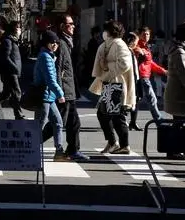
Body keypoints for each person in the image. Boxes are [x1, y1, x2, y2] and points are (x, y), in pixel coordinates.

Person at [43, 14, 88, 161]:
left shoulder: (67, 42)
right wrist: (59, 93)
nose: (73, 26)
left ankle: (73, 150)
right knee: (58, 122)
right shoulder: (61, 44)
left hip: (69, 91)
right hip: (64, 92)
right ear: (62, 26)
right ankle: (33, 142)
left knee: (73, 122)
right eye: (70, 23)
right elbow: (58, 70)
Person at [90, 20, 134, 155]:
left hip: (116, 84)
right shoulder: (108, 44)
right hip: (110, 83)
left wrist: (109, 70)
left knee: (115, 114)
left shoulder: (119, 44)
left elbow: (125, 64)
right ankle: (113, 142)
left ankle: (121, 144)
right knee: (105, 113)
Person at [34, 30, 67, 162]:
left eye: (56, 42)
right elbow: (50, 80)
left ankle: (59, 152)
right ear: (46, 43)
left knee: (58, 122)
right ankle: (32, 151)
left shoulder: (48, 55)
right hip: (44, 96)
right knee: (39, 124)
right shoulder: (45, 57)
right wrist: (60, 94)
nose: (54, 45)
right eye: (51, 42)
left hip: (48, 96)